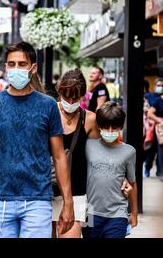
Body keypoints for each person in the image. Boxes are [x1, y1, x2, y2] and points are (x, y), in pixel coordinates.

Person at [0, 42, 74, 238]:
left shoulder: (48, 105)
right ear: (6, 67)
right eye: (11, 64)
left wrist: (68, 202)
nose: (16, 69)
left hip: (38, 200)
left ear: (33, 68)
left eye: (22, 64)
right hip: (0, 200)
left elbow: (59, 156)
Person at [52, 69, 132, 238]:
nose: (71, 101)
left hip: (77, 192)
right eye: (66, 96)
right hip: (48, 191)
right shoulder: (49, 112)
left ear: (83, 96)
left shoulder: (89, 119)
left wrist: (122, 174)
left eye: (76, 97)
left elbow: (102, 151)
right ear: (60, 92)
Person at [83, 102, 138, 238]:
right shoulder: (88, 145)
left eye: (114, 127)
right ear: (99, 126)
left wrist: (134, 213)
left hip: (117, 214)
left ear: (121, 126)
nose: (109, 131)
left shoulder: (129, 151)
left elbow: (132, 183)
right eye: (105, 127)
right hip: (90, 213)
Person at [144, 78, 163, 178]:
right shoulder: (149, 96)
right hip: (152, 127)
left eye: (162, 85)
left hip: (160, 129)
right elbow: (147, 111)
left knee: (160, 150)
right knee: (151, 150)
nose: (160, 87)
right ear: (155, 86)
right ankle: (147, 167)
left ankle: (160, 172)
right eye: (159, 85)